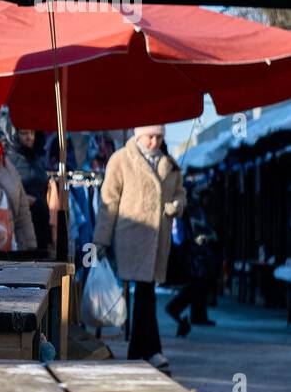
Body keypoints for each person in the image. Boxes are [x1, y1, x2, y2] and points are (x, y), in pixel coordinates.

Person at [92, 125, 186, 372]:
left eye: (158, 137)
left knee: (145, 293)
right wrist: (101, 239)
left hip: (158, 238)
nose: (154, 142)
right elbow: (108, 202)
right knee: (145, 292)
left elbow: (181, 193)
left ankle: (139, 351)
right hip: (132, 237)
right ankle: (152, 351)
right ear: (138, 135)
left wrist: (177, 205)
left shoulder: (170, 164)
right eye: (150, 137)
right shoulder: (121, 160)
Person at [164, 191, 219, 337]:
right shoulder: (184, 209)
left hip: (184, 251)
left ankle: (185, 313)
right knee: (196, 282)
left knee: (197, 282)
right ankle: (177, 309)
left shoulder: (187, 210)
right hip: (182, 252)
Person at [5, 128, 51, 257]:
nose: (29, 137)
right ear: (15, 135)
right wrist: (24, 199)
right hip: (22, 225)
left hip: (41, 224)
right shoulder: (10, 159)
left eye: (31, 133)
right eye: (24, 133)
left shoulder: (36, 157)